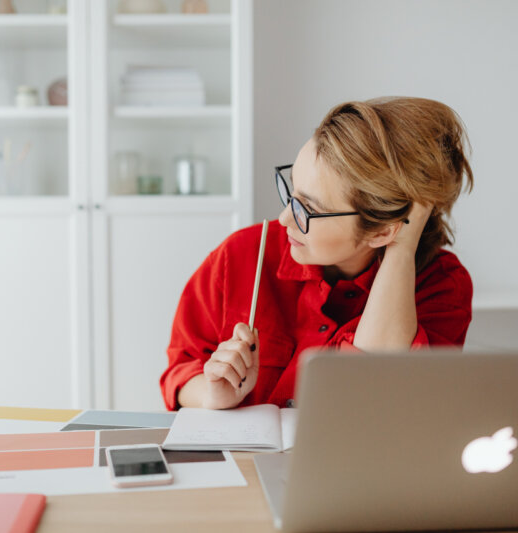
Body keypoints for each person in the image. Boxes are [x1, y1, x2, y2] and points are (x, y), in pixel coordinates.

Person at [160, 97, 475, 411]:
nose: (284, 218)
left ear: (381, 231)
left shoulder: (443, 286)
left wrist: (401, 249)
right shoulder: (242, 254)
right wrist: (214, 393)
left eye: (308, 209)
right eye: (292, 189)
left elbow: (373, 395)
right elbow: (180, 370)